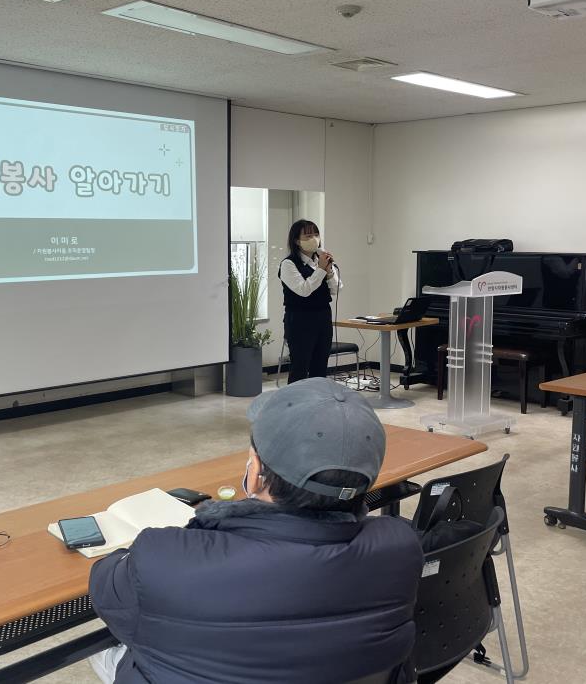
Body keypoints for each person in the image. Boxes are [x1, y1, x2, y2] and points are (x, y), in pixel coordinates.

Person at [88, 378, 424, 683]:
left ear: (257, 471)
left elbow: (106, 592)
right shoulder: (401, 547)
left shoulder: (164, 556)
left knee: (104, 649)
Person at [279, 219, 341, 383]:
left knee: (320, 366)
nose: (314, 239)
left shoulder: (321, 260)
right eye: (307, 236)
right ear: (296, 241)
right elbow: (304, 290)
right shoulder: (288, 264)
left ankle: (317, 398)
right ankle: (296, 399)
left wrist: (329, 271)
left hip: (323, 317)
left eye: (316, 234)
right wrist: (320, 269)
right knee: (300, 366)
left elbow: (336, 289)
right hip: (300, 319)